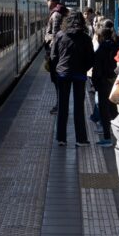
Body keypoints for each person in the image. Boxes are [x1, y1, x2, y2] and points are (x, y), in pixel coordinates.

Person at [50, 10, 95, 146]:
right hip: (79, 75)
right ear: (82, 21)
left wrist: (58, 69)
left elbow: (53, 56)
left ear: (67, 21)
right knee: (79, 107)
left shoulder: (60, 35)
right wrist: (83, 69)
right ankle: (81, 139)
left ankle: (61, 138)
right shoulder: (86, 38)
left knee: (62, 106)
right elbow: (91, 59)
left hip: (63, 74)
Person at [92, 24, 119, 147]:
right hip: (114, 81)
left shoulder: (100, 50)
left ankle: (107, 138)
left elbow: (96, 70)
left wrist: (95, 83)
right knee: (113, 109)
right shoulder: (116, 46)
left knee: (104, 111)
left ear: (101, 37)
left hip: (103, 83)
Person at [44, 0, 68, 114]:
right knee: (59, 82)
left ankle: (60, 106)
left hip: (57, 55)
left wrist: (51, 55)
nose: (47, 3)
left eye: (48, 1)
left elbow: (55, 36)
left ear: (52, 2)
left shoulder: (56, 15)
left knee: (58, 81)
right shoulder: (61, 13)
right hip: (60, 54)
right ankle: (60, 105)